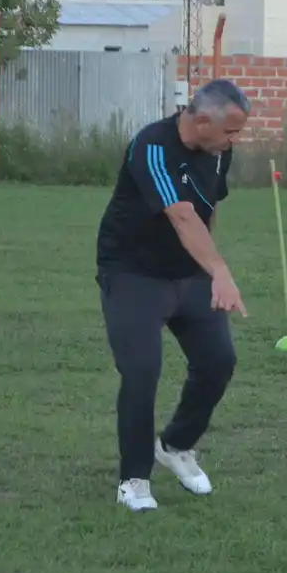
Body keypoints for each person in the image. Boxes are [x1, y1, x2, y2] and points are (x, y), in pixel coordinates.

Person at [94, 79, 252, 512]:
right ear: (201, 122)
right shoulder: (152, 146)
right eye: (230, 132)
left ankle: (177, 445)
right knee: (141, 371)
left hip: (188, 273)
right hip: (132, 273)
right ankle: (134, 480)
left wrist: (206, 266)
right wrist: (220, 270)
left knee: (218, 361)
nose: (235, 141)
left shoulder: (218, 152)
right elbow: (181, 216)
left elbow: (207, 208)